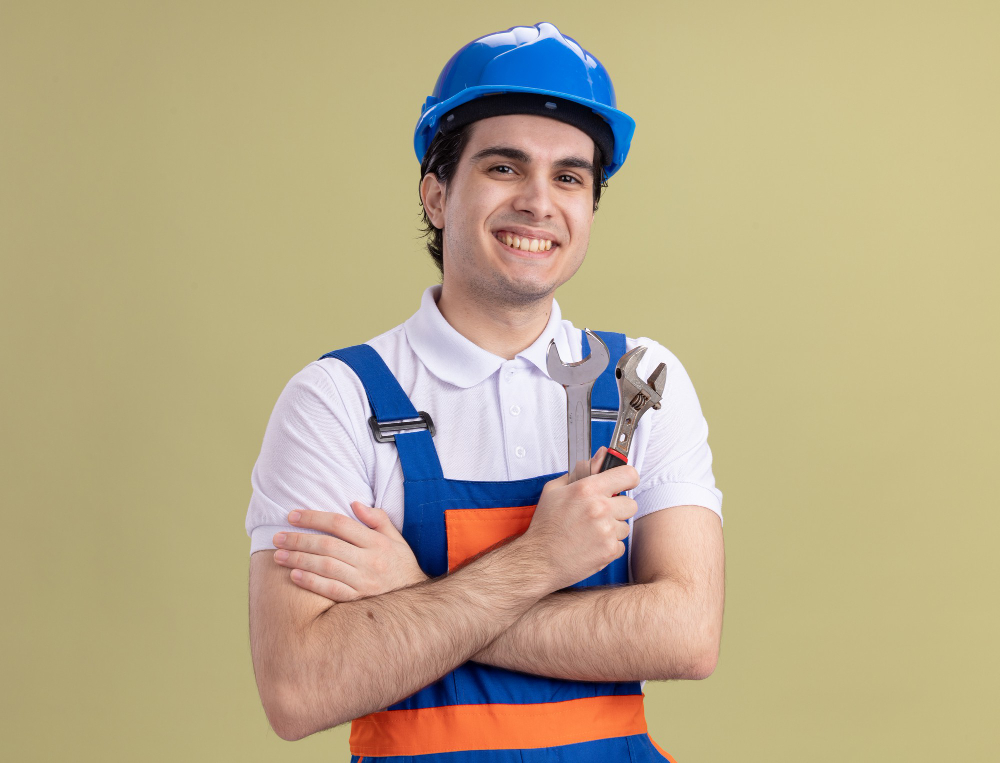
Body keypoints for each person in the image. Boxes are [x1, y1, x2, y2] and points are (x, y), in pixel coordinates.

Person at [246, 22, 724, 761]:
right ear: (436, 195)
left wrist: (416, 588)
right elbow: (299, 686)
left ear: (591, 206)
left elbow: (687, 633)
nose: (539, 202)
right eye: (505, 167)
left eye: (569, 176)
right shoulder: (337, 401)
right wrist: (539, 562)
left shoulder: (641, 379)